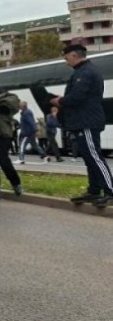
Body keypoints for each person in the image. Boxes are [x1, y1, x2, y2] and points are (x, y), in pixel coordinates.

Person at [51, 44, 112, 207]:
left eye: (66, 58)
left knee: (94, 157)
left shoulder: (86, 72)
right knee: (89, 158)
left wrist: (60, 101)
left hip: (87, 121)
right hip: (83, 121)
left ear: (74, 55)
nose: (66, 62)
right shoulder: (83, 71)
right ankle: (94, 191)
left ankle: (110, 191)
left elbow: (77, 96)